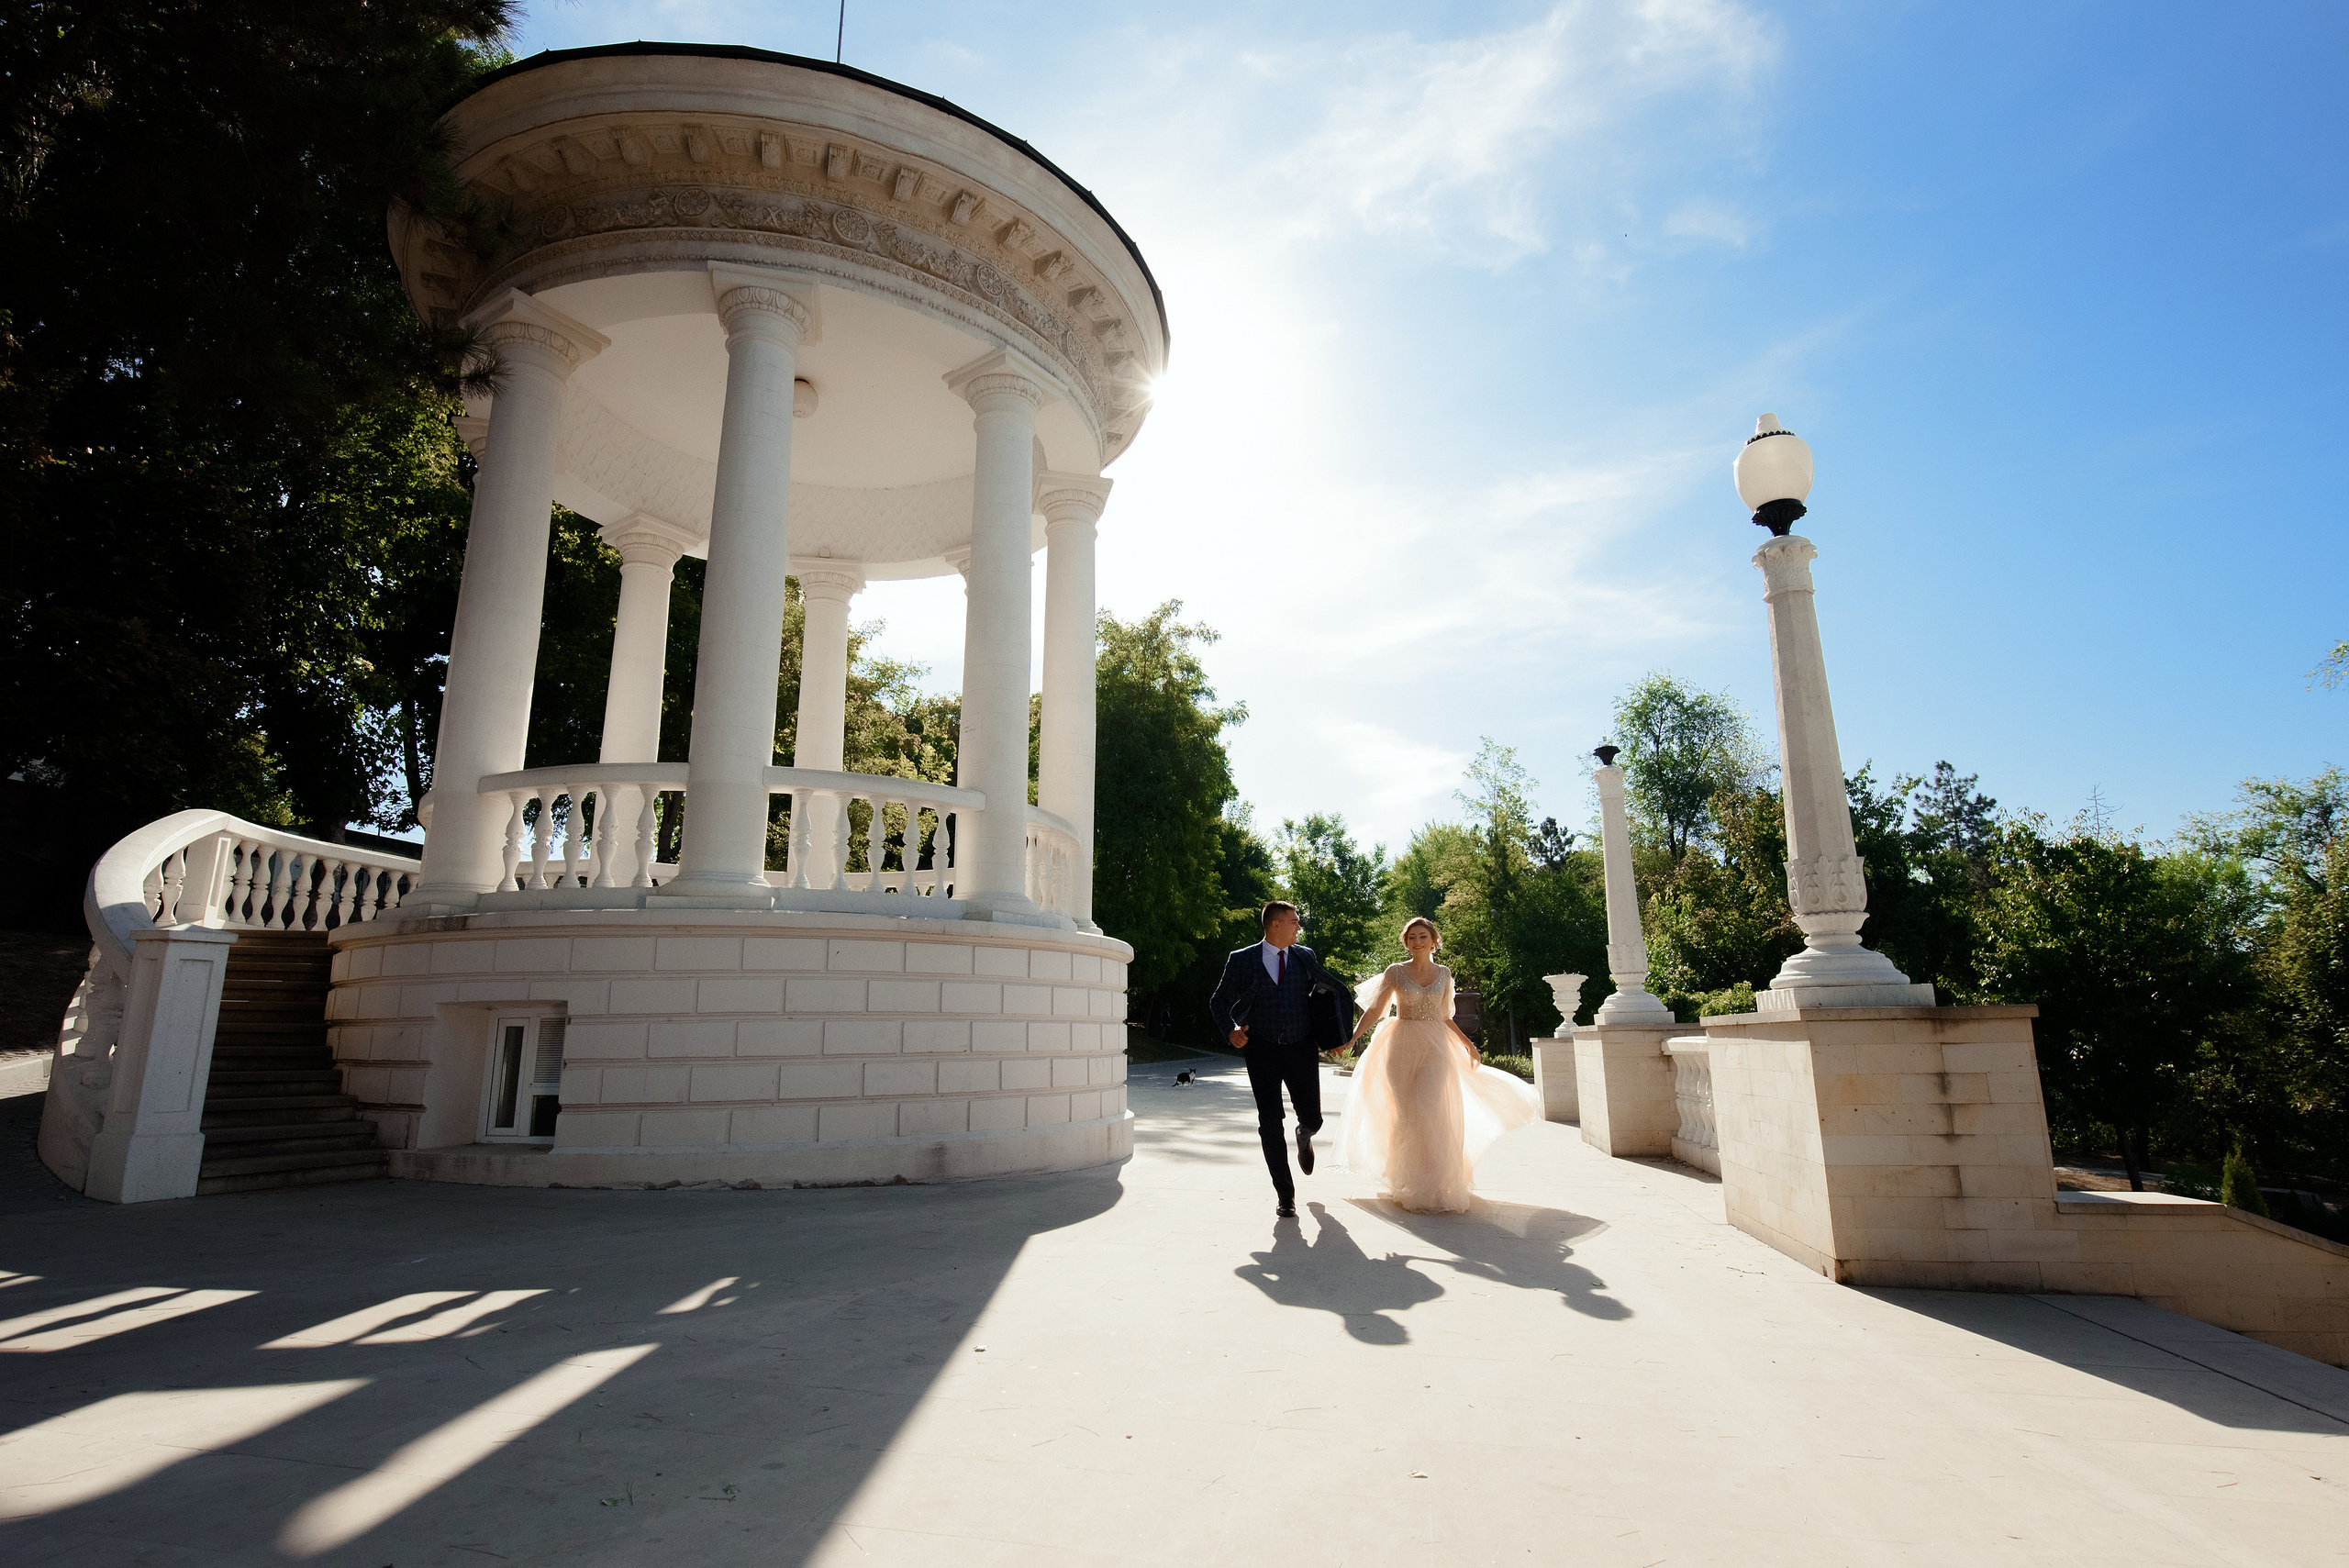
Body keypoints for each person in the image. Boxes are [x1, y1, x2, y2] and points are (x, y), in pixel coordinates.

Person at [1340, 916, 1542, 1213]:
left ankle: (1435, 1182)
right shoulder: (1395, 972)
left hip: (1436, 1046)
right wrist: (1352, 1037)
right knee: (1406, 1113)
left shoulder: (1444, 974)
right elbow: (1375, 1009)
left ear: (1433, 940)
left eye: (1422, 936)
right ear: (1406, 942)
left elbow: (1446, 1016)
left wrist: (1468, 1043)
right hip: (1401, 1045)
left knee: (1429, 1107)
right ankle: (1406, 1179)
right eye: (1411, 938)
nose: (1416, 942)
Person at [1208, 900, 1344, 1218]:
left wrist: (1334, 1036)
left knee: (1313, 1117)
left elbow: (1323, 998)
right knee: (1270, 1122)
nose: (1299, 926)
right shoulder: (1242, 959)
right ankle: (1285, 1194)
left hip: (1301, 1047)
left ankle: (1305, 1133)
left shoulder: (1304, 955)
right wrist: (1230, 1030)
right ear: (1276, 925)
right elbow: (1219, 1000)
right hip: (1261, 1049)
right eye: (1294, 921)